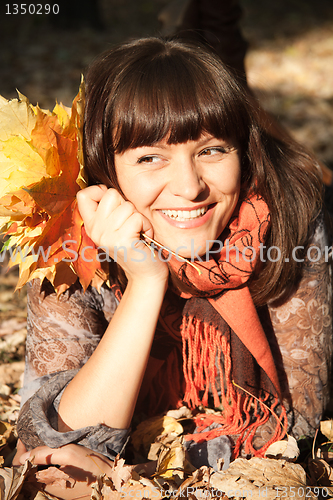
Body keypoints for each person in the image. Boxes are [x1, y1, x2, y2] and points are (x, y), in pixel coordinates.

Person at [13, 37, 331, 493]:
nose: (189, 187)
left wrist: (140, 479)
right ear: (107, 170)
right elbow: (50, 440)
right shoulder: (67, 242)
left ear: (242, 150)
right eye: (149, 158)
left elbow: (295, 428)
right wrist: (145, 282)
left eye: (212, 150)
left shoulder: (287, 214)